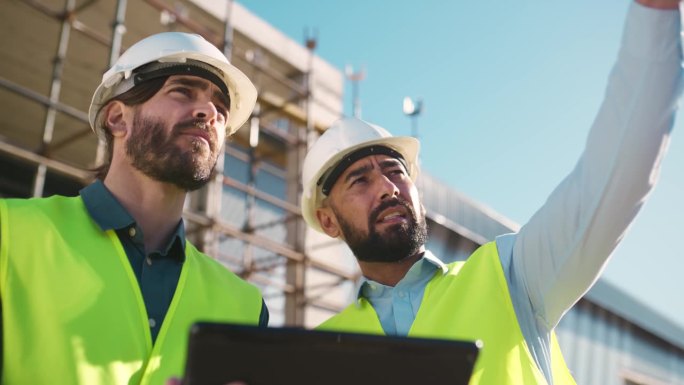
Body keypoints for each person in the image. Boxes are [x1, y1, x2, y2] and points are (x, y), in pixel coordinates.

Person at [300, 1, 683, 384]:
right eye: (359, 181)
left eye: (395, 171)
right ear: (328, 220)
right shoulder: (316, 356)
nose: (387, 188)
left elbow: (614, 178)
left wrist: (656, 15)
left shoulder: (513, 277)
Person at [0, 32, 267, 384]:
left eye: (220, 107)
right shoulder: (11, 233)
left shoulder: (246, 306)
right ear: (117, 119)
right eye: (183, 91)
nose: (210, 113)